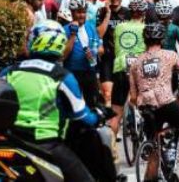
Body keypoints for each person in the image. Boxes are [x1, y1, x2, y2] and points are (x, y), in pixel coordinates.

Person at [6, 21, 105, 182]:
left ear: (33, 40)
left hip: (12, 140)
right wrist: (99, 116)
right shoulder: (62, 76)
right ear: (60, 43)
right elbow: (82, 117)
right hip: (46, 143)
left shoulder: (10, 71)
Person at [127, 22, 179, 180]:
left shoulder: (135, 63)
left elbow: (133, 97)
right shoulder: (170, 55)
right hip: (167, 101)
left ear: (144, 40)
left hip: (146, 106)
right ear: (161, 40)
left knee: (154, 145)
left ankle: (149, 178)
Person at [110, 0, 148, 140]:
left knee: (116, 112)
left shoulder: (119, 27)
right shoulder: (145, 28)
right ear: (143, 13)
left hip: (120, 66)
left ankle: (111, 149)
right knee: (144, 104)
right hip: (138, 68)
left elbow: (115, 45)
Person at [63, 0, 102, 107]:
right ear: (72, 12)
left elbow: (99, 47)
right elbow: (63, 55)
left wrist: (95, 52)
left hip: (90, 71)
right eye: (78, 12)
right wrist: (73, 35)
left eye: (83, 12)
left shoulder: (90, 27)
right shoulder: (65, 29)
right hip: (72, 72)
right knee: (73, 105)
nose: (81, 15)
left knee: (93, 104)